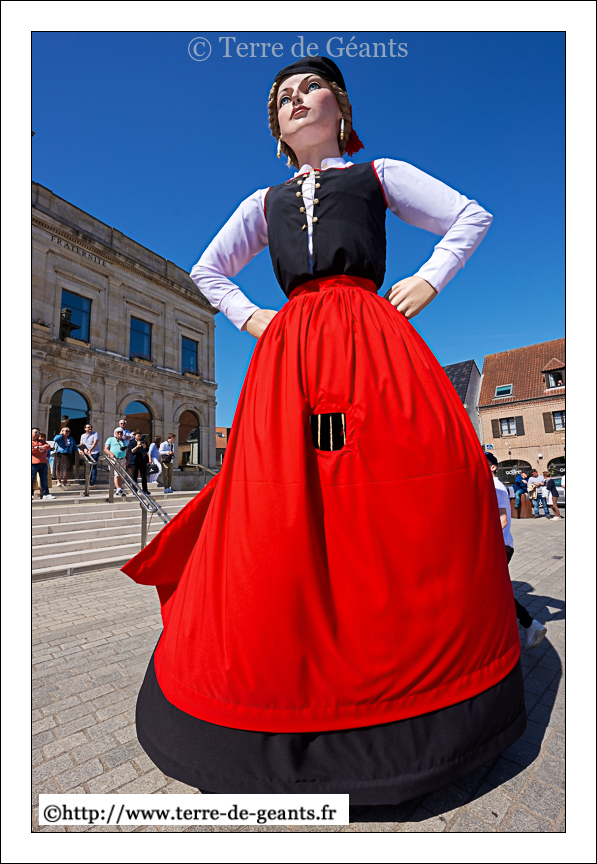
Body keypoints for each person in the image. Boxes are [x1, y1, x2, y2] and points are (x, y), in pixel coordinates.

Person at [122, 56, 525, 804]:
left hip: (372, 339)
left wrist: (429, 278)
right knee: (276, 499)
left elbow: (470, 215)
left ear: (340, 107)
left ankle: (417, 669)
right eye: (283, 96)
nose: (296, 99)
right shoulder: (263, 201)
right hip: (291, 350)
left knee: (402, 483)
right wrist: (253, 317)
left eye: (310, 88)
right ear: (277, 129)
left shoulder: (377, 175)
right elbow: (208, 270)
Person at [485, 452, 547, 649]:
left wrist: (483, 543)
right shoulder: (493, 485)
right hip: (501, 545)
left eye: (483, 463)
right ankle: (526, 625)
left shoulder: (494, 486)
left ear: (493, 467)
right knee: (495, 590)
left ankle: (528, 624)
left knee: (495, 591)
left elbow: (502, 520)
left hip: (499, 546)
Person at [103, 429, 128, 497]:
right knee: (116, 474)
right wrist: (110, 454)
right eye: (118, 432)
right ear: (115, 433)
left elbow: (127, 451)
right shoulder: (110, 439)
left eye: (121, 432)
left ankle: (119, 488)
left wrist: (127, 459)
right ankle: (118, 488)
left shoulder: (124, 441)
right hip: (114, 459)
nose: (119, 433)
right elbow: (105, 449)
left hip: (122, 459)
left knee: (121, 475)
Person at [32, 431, 55, 500]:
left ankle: (46, 494)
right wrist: (41, 449)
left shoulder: (42, 441)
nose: (37, 433)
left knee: (44, 479)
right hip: (33, 463)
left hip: (43, 463)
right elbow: (32, 450)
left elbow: (48, 446)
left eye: (38, 432)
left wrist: (38, 447)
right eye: (36, 432)